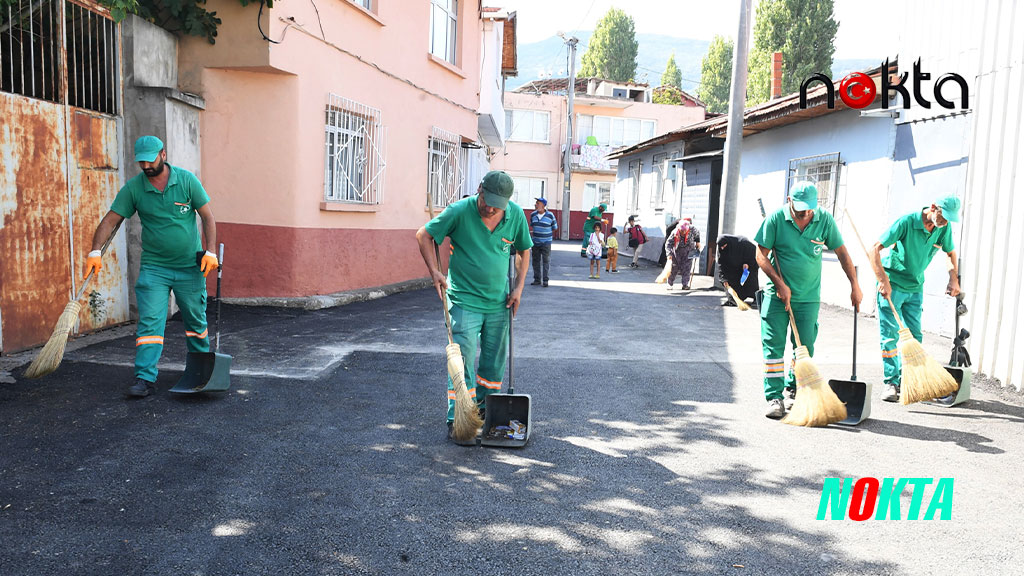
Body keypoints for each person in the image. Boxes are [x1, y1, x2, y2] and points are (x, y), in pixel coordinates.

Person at [84, 136, 218, 397]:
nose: (145, 165)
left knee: (195, 321)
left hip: (189, 266)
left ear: (163, 155)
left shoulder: (187, 180)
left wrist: (211, 251)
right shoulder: (135, 188)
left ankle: (202, 371)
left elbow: (207, 216)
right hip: (155, 267)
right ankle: (145, 378)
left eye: (150, 159)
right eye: (141, 160)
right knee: (150, 323)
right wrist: (94, 251)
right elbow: (110, 220)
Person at [415, 170, 532, 441]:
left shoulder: (515, 215)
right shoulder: (459, 211)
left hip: (499, 304)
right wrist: (435, 271)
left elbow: (524, 251)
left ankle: (484, 415)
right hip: (464, 300)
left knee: (493, 366)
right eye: (486, 200)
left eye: (497, 205)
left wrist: (519, 288)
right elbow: (424, 235)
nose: (490, 208)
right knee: (462, 362)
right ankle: (460, 419)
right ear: (479, 189)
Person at [754, 181, 862, 419]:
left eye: (810, 209)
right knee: (773, 348)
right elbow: (760, 256)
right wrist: (779, 283)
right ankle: (774, 397)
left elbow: (842, 253)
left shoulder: (824, 220)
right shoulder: (774, 220)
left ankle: (795, 390)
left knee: (804, 348)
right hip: (776, 296)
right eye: (801, 209)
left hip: (809, 298)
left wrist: (854, 285)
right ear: (790, 201)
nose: (806, 214)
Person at [868, 196, 961, 403]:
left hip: (915, 287)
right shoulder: (907, 222)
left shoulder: (942, 228)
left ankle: (909, 380)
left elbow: (950, 253)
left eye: (949, 220)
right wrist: (883, 280)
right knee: (890, 336)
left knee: (915, 336)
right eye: (944, 217)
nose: (945, 222)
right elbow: (874, 249)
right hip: (893, 285)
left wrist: (953, 278)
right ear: (934, 208)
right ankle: (891, 383)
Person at [717, 234, 760, 307]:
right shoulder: (721, 250)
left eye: (724, 246)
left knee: (751, 279)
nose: (723, 248)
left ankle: (756, 299)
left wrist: (747, 263)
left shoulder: (743, 243)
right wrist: (723, 279)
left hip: (747, 265)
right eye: (721, 247)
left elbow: (755, 254)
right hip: (733, 268)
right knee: (728, 281)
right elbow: (721, 264)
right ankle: (734, 300)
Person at [529, 197, 558, 287]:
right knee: (535, 261)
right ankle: (537, 279)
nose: (536, 205)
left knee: (546, 261)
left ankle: (545, 280)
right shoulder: (533, 215)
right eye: (536, 203)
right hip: (535, 242)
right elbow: (532, 225)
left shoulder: (550, 215)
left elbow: (554, 227)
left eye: (538, 203)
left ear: (543, 205)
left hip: (546, 243)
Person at [664, 220, 698, 290]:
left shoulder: (692, 229)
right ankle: (669, 284)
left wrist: (698, 243)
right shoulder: (675, 233)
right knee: (674, 268)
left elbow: (697, 234)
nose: (684, 233)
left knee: (687, 268)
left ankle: (685, 284)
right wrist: (669, 254)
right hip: (677, 251)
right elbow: (668, 244)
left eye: (685, 231)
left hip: (688, 251)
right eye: (682, 231)